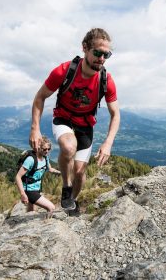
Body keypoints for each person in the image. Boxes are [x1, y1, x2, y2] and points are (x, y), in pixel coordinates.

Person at [29, 28, 120, 214]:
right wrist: (35, 128)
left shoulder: (106, 80)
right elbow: (39, 98)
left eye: (106, 54)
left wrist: (108, 142)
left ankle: (72, 200)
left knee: (80, 172)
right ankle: (66, 187)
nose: (101, 58)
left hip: (86, 125)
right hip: (63, 117)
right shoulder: (64, 71)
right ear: (85, 48)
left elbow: (115, 114)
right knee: (69, 147)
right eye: (97, 53)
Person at [15, 136, 60, 217]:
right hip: (29, 190)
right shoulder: (30, 160)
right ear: (38, 147)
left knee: (31, 211)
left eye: (48, 149)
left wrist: (62, 173)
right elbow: (18, 177)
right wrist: (23, 194)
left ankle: (28, 227)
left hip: (37, 188)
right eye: (44, 149)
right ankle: (47, 225)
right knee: (51, 208)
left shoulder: (45, 158)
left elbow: (50, 169)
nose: (47, 151)